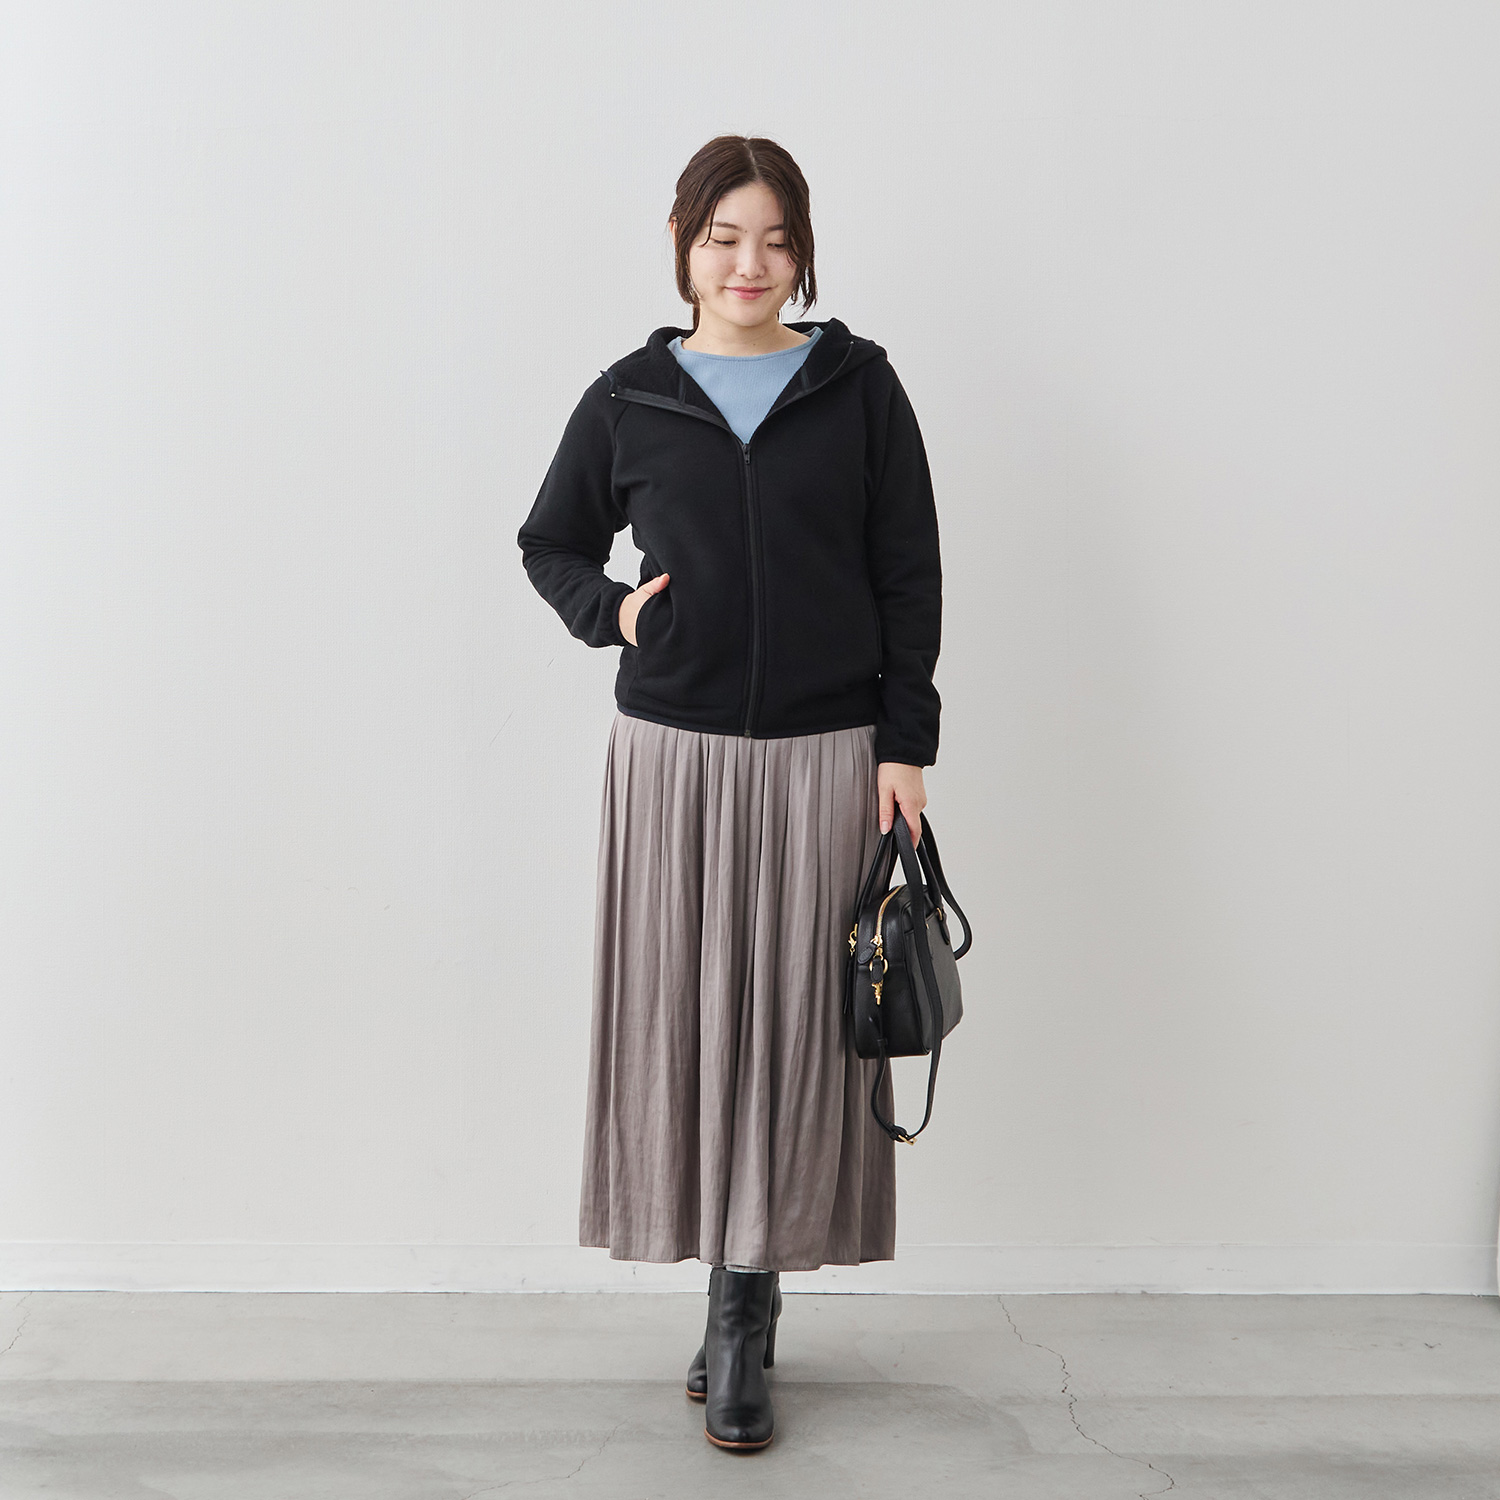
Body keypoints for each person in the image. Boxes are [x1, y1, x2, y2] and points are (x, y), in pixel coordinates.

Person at [516, 134, 943, 1451]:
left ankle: (747, 1313)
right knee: (692, 1026)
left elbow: (908, 573)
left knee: (798, 1035)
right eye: (723, 238)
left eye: (774, 239)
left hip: (827, 754)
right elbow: (549, 541)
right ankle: (723, 1297)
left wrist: (906, 745)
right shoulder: (631, 398)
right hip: (675, 760)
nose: (749, 264)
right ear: (682, 241)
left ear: (801, 249)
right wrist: (614, 612)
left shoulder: (859, 389)